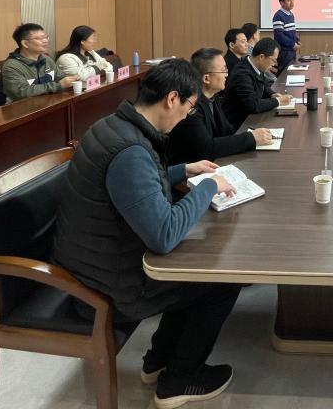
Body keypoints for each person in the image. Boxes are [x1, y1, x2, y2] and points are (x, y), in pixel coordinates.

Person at [52, 58, 241, 408]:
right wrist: (208, 187)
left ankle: (158, 360)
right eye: (188, 107)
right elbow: (163, 235)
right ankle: (180, 379)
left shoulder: (114, 126)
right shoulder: (130, 151)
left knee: (196, 268)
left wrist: (183, 170)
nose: (186, 116)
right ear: (172, 98)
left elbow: (133, 184)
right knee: (222, 280)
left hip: (90, 261)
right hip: (107, 284)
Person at [167, 48, 274, 165]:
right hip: (190, 169)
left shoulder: (213, 96)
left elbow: (227, 130)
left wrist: (255, 134)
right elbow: (206, 149)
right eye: (223, 71)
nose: (227, 75)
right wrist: (250, 138)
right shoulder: (191, 105)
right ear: (206, 78)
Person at [222, 37, 293, 130]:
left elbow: (263, 86)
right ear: (261, 57)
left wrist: (272, 94)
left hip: (250, 118)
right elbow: (252, 105)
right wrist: (278, 101)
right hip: (238, 125)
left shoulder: (256, 66)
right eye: (274, 60)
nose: (275, 64)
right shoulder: (242, 74)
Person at [1, 23, 77, 102]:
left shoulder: (46, 59)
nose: (45, 41)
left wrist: (71, 79)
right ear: (25, 43)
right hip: (23, 107)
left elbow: (61, 77)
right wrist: (57, 86)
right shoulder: (11, 66)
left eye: (45, 37)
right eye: (40, 38)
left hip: (49, 103)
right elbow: (21, 92)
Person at [272, 0, 301, 76]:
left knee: (292, 73)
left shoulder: (291, 14)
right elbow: (279, 35)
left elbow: (292, 31)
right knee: (284, 74)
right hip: (284, 52)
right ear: (282, 3)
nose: (292, 2)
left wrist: (297, 41)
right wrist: (292, 44)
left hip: (291, 50)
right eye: (288, 0)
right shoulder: (278, 16)